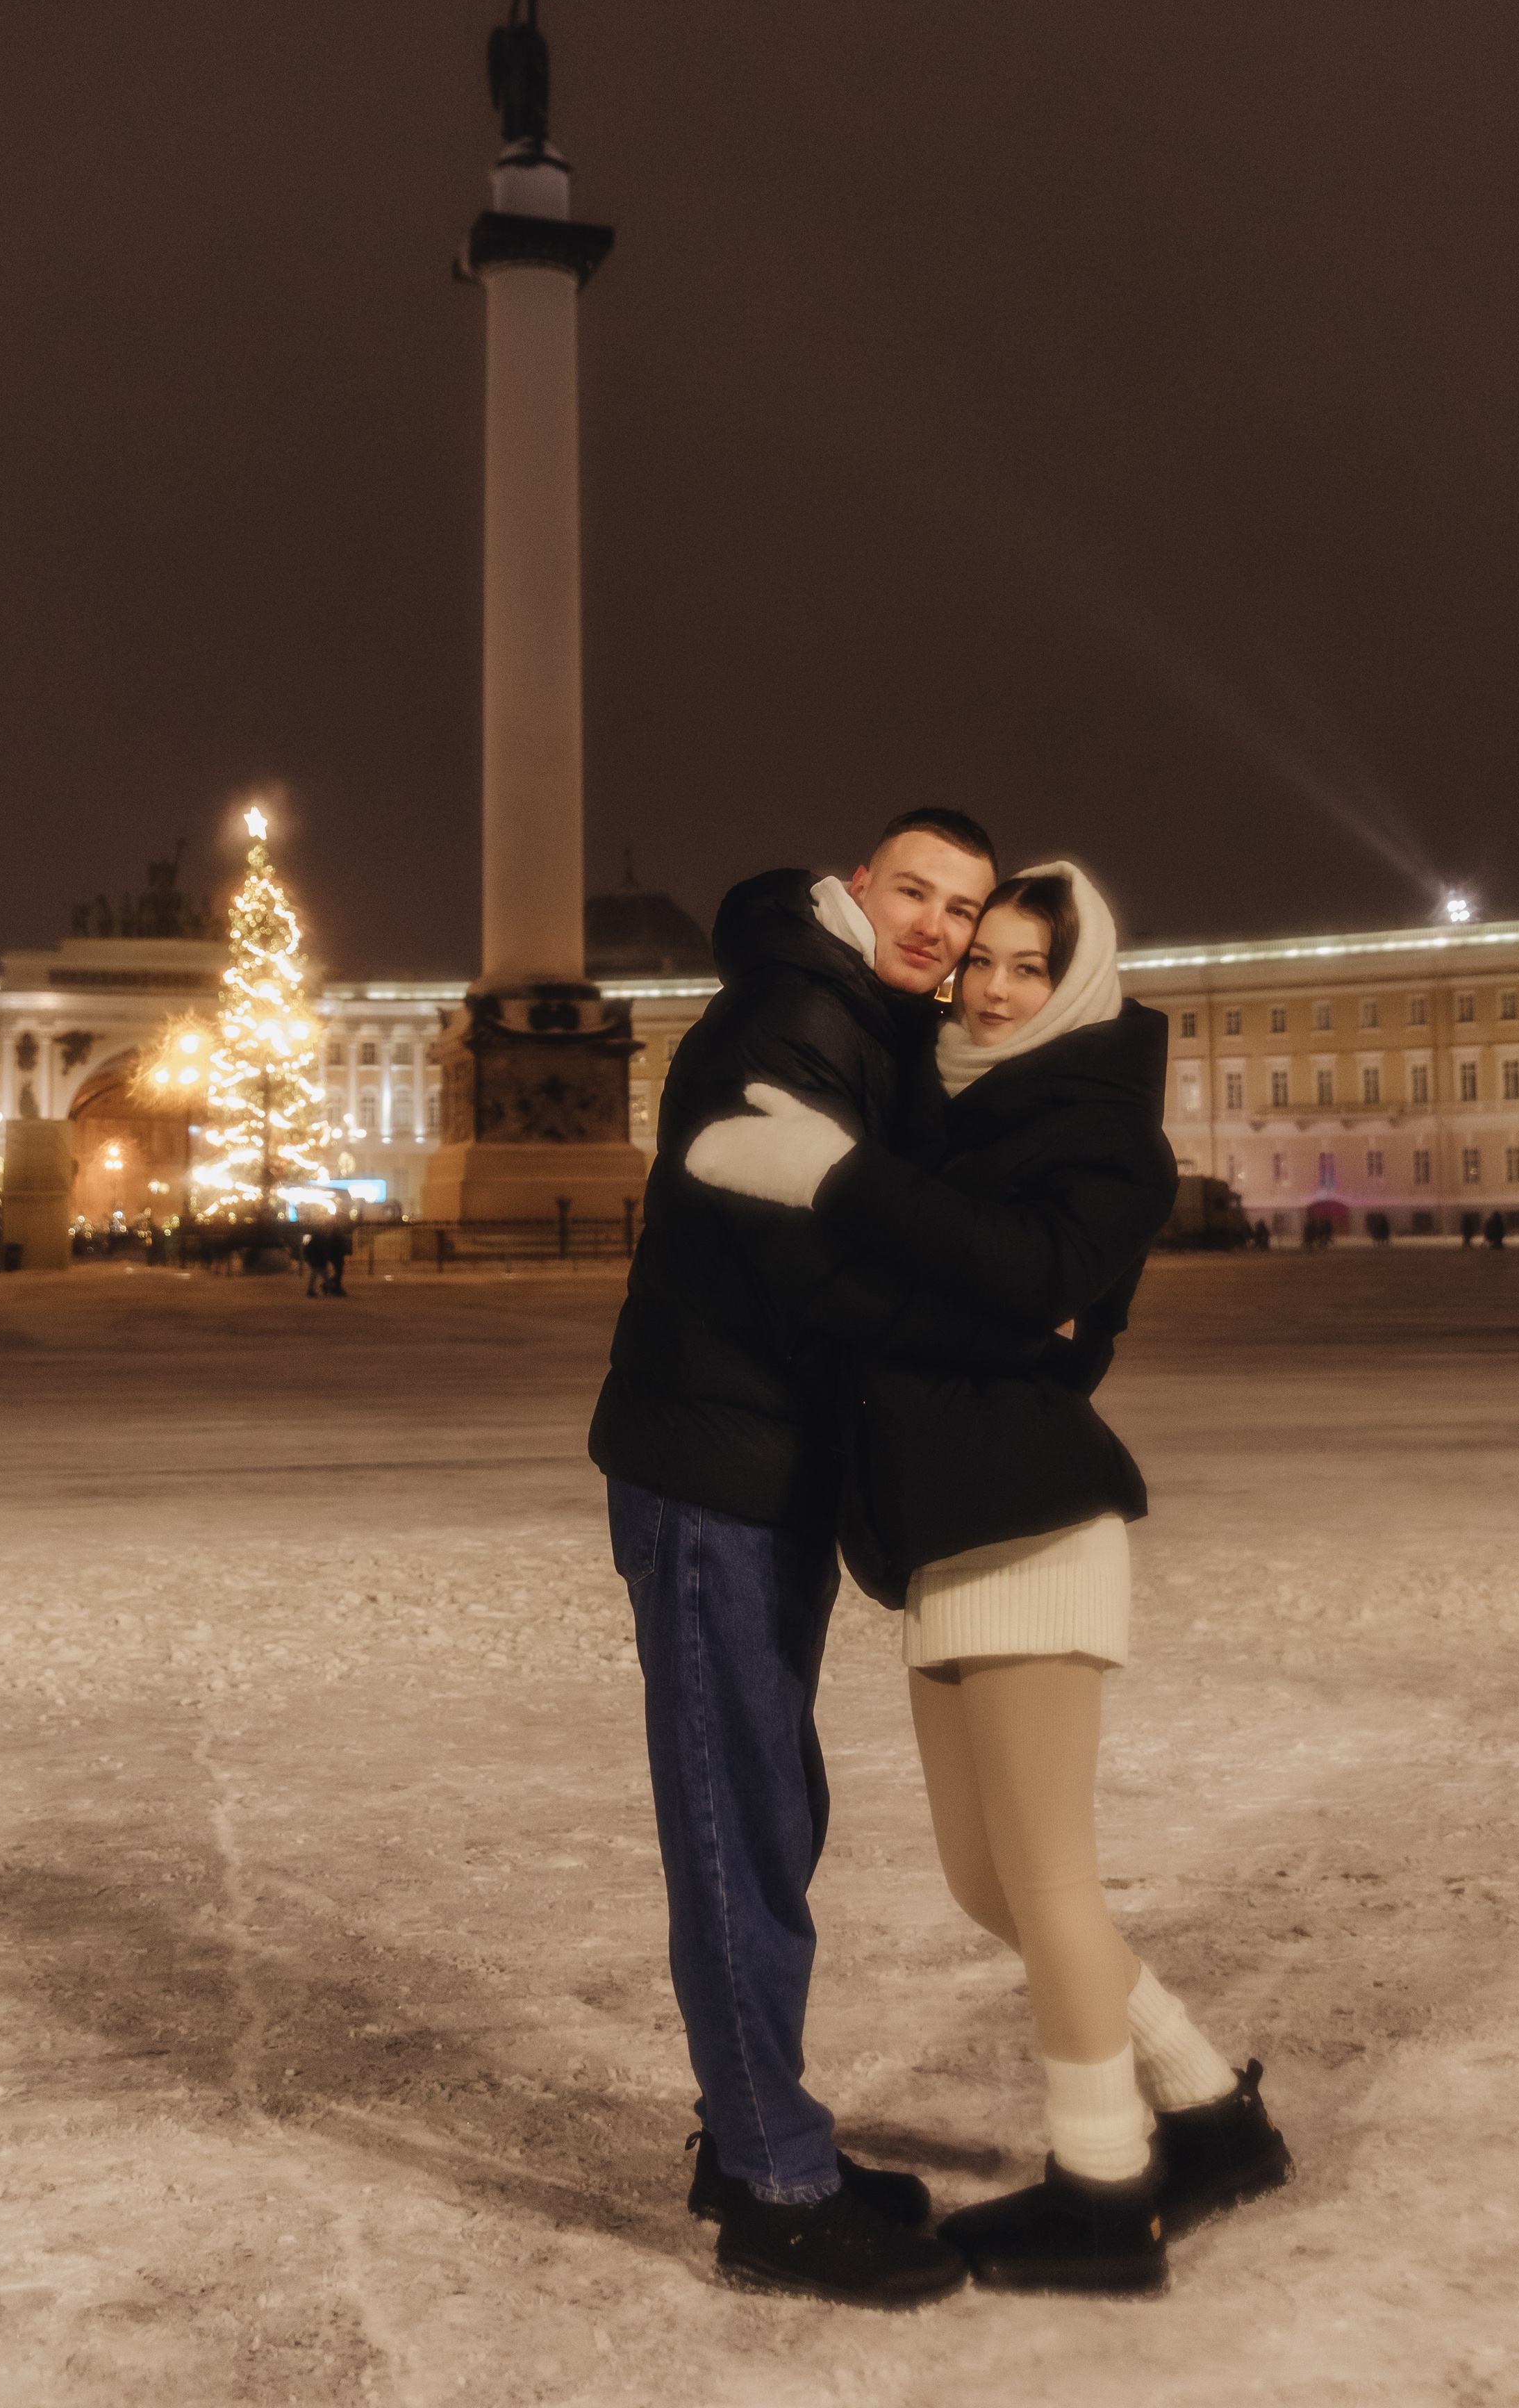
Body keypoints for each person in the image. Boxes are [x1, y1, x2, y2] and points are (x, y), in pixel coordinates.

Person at [688, 864, 1292, 2296]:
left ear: (1077, 987)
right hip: (942, 1532)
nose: (995, 988)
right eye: (985, 961)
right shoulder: (945, 1105)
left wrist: (839, 1187)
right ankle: (1208, 2112)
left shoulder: (1101, 1134)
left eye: (1031, 967)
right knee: (985, 1882)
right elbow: (972, 1297)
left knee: (1048, 1880)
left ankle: (1104, 2191)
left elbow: (1026, 1283)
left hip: (1031, 1526)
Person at [591, 811, 1062, 2308]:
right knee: (739, 1819)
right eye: (913, 891)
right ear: (858, 889)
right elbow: (812, 1262)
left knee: (770, 1811)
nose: (936, 925)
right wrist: (1000, 1320)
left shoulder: (848, 1015)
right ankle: (774, 2191)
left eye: (963, 909)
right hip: (712, 1472)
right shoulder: (791, 1020)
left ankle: (755, 2139)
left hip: (762, 1468)